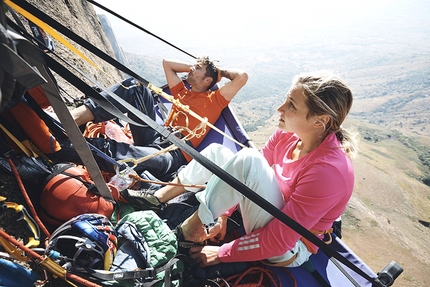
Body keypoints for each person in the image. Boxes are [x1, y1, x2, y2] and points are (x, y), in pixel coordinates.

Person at [149, 71, 358, 268]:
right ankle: (158, 197)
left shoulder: (328, 173)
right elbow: (247, 171)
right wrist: (223, 215)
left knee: (249, 159)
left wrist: (221, 253)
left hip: (288, 246)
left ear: (319, 122)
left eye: (291, 105)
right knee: (216, 152)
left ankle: (191, 230)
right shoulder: (289, 134)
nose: (280, 108)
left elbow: (278, 240)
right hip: (272, 212)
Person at [64, 56, 248, 184]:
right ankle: (70, 119)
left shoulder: (214, 100)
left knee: (117, 151)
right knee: (134, 86)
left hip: (172, 154)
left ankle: (60, 148)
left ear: (208, 80)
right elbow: (167, 64)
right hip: (156, 135)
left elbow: (242, 77)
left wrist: (219, 72)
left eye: (197, 68)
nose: (192, 69)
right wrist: (196, 69)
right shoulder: (183, 91)